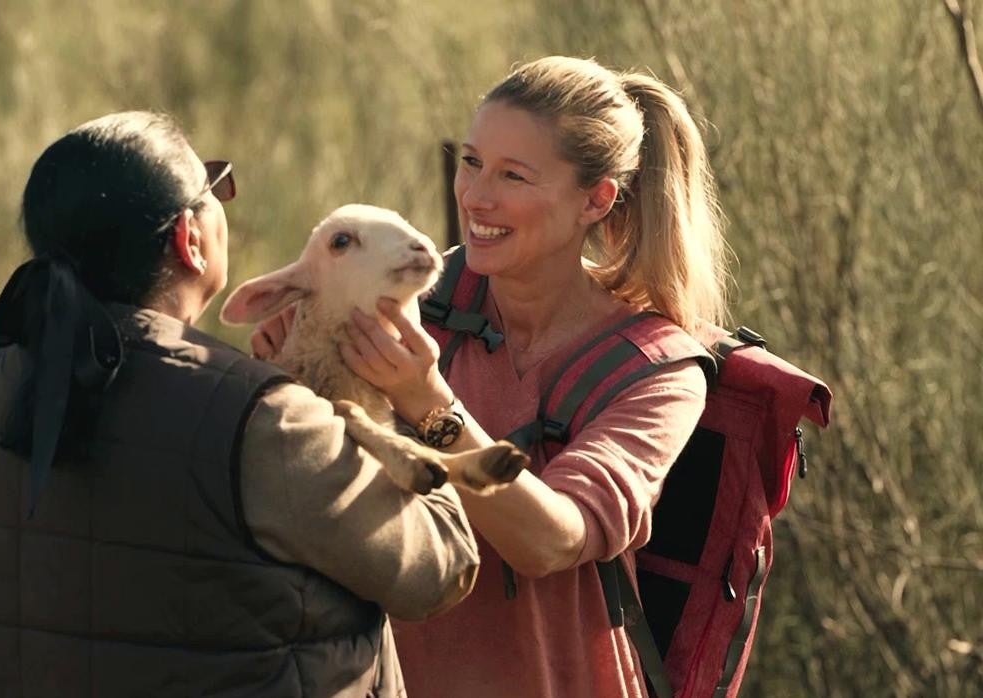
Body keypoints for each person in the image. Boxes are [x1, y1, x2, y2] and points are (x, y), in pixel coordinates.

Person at [0, 111, 480, 697]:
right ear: (188, 239)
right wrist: (413, 404)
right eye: (216, 188)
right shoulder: (262, 420)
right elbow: (440, 568)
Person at [254, 56, 728, 697]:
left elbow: (551, 540)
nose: (476, 196)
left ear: (596, 199)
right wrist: (289, 371)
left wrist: (427, 403)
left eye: (513, 175)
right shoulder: (409, 292)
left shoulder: (657, 370)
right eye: (472, 161)